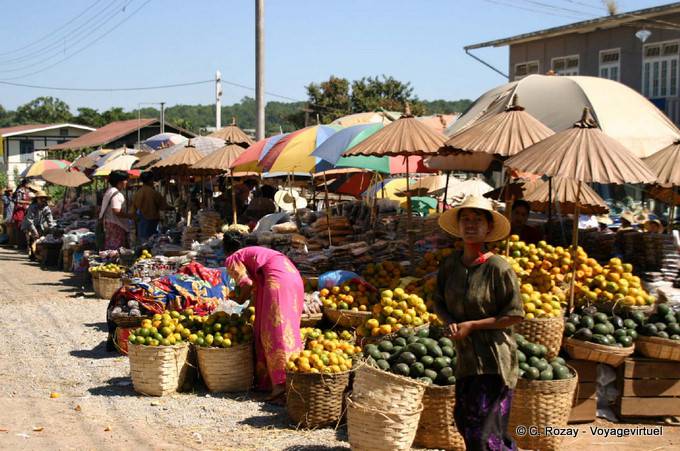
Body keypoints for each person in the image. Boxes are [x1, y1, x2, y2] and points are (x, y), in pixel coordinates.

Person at [434, 195, 524, 451]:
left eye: (477, 220)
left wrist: (473, 325)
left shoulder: (498, 268)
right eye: (465, 219)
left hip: (494, 362)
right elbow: (438, 301)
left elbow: (515, 314)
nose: (470, 225)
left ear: (489, 228)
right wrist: (450, 321)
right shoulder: (450, 265)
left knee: (485, 436)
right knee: (466, 423)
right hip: (466, 362)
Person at [222, 231, 304, 403]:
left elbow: (246, 284)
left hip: (278, 281)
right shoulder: (253, 251)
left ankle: (281, 388)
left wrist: (237, 297)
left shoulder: (233, 258)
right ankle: (293, 381)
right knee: (289, 329)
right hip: (293, 276)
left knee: (276, 331)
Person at [100, 171, 134, 250]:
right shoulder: (117, 194)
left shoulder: (109, 191)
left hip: (109, 223)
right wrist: (131, 216)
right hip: (117, 226)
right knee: (117, 250)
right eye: (126, 180)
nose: (127, 182)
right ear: (120, 182)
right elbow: (116, 211)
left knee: (111, 249)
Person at [132, 171, 169, 242]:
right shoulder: (154, 193)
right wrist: (172, 208)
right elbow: (163, 206)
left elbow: (133, 209)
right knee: (151, 242)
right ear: (151, 180)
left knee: (143, 242)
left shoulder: (138, 192)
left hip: (140, 222)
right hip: (151, 222)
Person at [21, 190, 55, 260]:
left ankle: (36, 254)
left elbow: (49, 219)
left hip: (39, 224)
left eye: (44, 198)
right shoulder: (32, 207)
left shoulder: (46, 208)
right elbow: (29, 220)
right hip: (28, 224)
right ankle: (32, 254)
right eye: (40, 198)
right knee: (30, 239)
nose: (42, 200)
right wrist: (34, 231)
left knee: (38, 239)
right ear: (37, 199)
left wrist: (52, 229)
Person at [11, 179, 33, 248]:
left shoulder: (28, 191)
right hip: (20, 211)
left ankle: (24, 244)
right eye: (29, 184)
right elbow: (18, 200)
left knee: (25, 228)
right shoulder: (20, 191)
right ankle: (20, 244)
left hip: (26, 211)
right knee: (20, 227)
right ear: (25, 184)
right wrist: (28, 203)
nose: (30, 185)